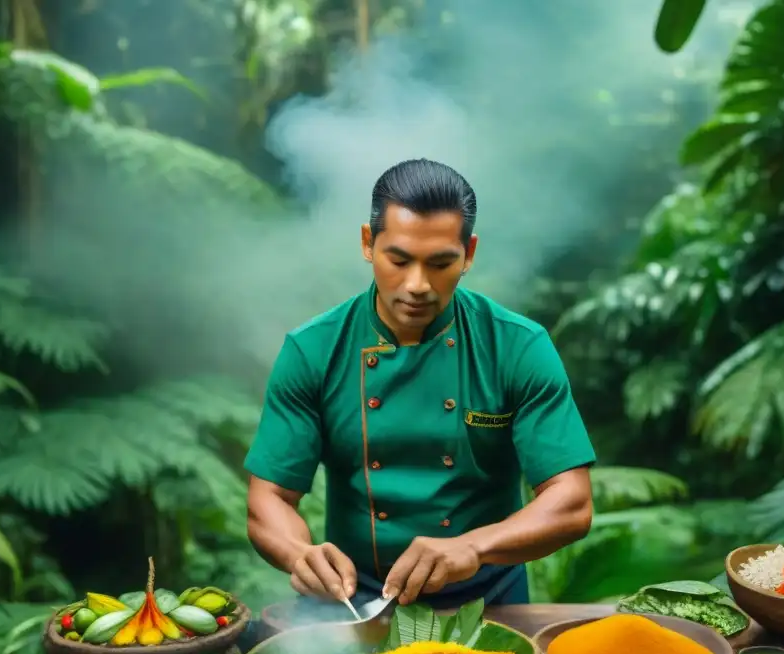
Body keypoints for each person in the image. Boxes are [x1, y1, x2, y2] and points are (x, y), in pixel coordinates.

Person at [245, 158, 596, 626]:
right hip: (355, 606)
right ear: (369, 245)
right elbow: (269, 497)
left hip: (491, 602)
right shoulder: (313, 350)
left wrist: (473, 547)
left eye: (440, 263)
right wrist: (300, 554)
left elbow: (571, 502)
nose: (417, 285)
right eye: (399, 259)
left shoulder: (517, 346)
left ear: (468, 254)